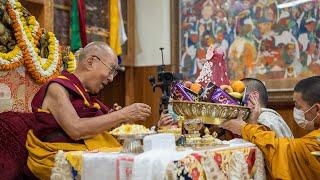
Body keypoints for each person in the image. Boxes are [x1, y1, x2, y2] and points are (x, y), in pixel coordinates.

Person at [26, 42, 152, 179]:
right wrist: (121, 115)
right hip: (60, 160)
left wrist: (117, 120)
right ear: (91, 62)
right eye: (111, 70)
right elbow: (76, 129)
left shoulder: (88, 98)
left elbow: (96, 130)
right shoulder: (57, 88)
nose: (111, 78)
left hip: (85, 153)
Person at [221, 76, 320, 179]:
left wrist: (244, 128)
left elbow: (280, 152)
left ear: (317, 109)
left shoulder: (266, 119)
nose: (296, 111)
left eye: (298, 106)